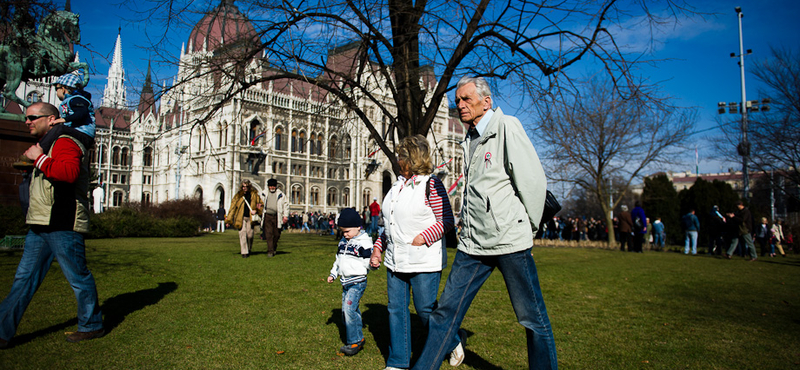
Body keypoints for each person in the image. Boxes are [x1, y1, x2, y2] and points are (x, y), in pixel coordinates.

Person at [411, 76, 557, 370]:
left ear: (486, 101)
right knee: (444, 313)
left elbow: (532, 181)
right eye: (458, 100)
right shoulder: (469, 137)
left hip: (509, 242)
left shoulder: (507, 127)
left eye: (466, 99)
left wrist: (525, 226)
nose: (460, 105)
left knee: (532, 318)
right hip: (473, 244)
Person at [0, 102, 104, 349]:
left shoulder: (66, 141)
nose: (28, 122)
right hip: (41, 222)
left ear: (52, 119)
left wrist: (40, 159)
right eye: (26, 118)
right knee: (24, 279)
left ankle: (92, 324)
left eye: (33, 117)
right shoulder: (50, 143)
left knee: (78, 277)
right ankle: (3, 331)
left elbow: (68, 173)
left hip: (62, 222)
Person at [369, 135, 456, 370]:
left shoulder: (431, 184)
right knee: (396, 309)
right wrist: (378, 249)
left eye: (401, 157)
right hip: (395, 260)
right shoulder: (397, 186)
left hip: (423, 259)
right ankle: (398, 360)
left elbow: (447, 220)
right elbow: (390, 224)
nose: (398, 161)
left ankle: (451, 340)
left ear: (412, 159)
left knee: (425, 309)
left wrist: (424, 237)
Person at [327, 208, 374, 356]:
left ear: (357, 227)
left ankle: (354, 341)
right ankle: (358, 335)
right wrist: (333, 273)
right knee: (349, 310)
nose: (345, 235)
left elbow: (369, 261)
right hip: (345, 281)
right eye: (343, 232)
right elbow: (338, 260)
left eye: (347, 231)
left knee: (349, 310)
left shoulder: (364, 242)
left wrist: (374, 265)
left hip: (357, 281)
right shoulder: (343, 242)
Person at [52, 72, 96, 149]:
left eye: (56, 88)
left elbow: (81, 113)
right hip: (76, 133)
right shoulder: (69, 100)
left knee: (59, 129)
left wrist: (62, 120)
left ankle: (40, 149)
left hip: (84, 133)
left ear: (63, 89)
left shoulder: (77, 99)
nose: (56, 92)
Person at [225, 179, 262, 258]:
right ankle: (244, 252)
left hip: (251, 218)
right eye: (243, 186)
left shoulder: (254, 195)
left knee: (250, 235)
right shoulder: (238, 196)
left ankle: (249, 248)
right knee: (242, 234)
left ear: (249, 187)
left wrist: (256, 210)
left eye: (246, 187)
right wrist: (229, 220)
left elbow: (260, 204)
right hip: (240, 217)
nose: (244, 188)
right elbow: (232, 208)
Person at [261, 178, 289, 257]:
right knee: (268, 234)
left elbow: (286, 206)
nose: (272, 187)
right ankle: (270, 251)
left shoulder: (281, 195)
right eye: (270, 186)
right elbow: (260, 203)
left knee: (277, 234)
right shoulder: (263, 193)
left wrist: (285, 216)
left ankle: (273, 247)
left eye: (273, 186)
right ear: (268, 186)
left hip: (277, 216)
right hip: (267, 216)